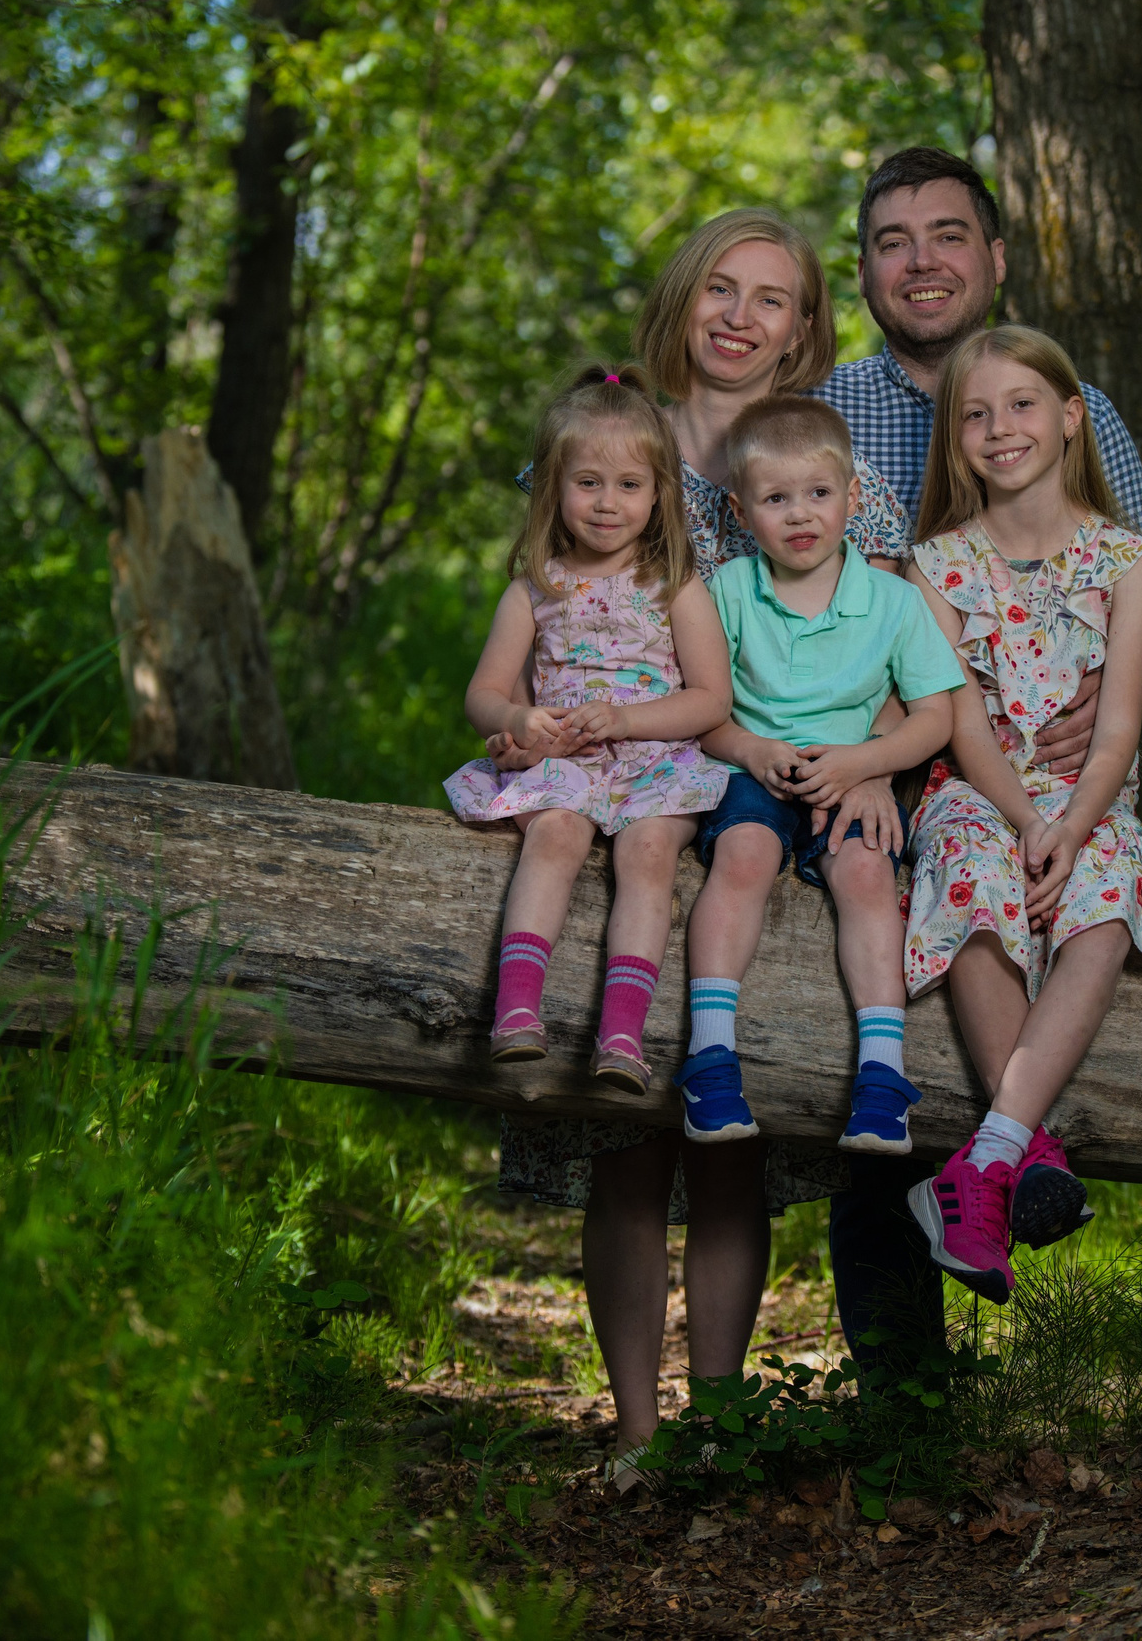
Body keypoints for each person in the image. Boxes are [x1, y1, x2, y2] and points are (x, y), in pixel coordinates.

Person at [898, 326, 1142, 1303]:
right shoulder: (935, 566)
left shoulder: (1126, 559)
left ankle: (989, 1158)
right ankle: (1022, 1159)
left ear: (1072, 418)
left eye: (1023, 404)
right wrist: (1025, 819)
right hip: (978, 793)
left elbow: (1116, 728)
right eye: (975, 414)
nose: (1000, 428)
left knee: (1107, 890)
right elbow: (960, 724)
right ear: (955, 440)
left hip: (1090, 801)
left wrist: (1069, 827)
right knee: (973, 879)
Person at [446, 366, 758, 1491]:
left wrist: (626, 715)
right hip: (570, 765)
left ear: (660, 492)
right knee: (555, 834)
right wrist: (522, 721)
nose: (609, 502)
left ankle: (622, 1026)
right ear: (555, 489)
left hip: (651, 758)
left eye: (631, 484)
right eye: (589, 482)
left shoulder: (677, 582)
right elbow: (485, 693)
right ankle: (519, 1008)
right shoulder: (532, 588)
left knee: (649, 852)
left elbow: (710, 701)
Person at [674, 395, 961, 1155]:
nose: (800, 514)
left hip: (853, 774)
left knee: (868, 873)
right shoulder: (727, 592)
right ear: (741, 512)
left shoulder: (894, 602)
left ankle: (883, 1074)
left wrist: (867, 765)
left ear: (853, 498)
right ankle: (709, 1056)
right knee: (743, 856)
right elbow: (703, 710)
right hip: (754, 768)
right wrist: (748, 750)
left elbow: (935, 717)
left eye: (819, 493)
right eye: (775, 499)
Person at [632, 207, 914, 579]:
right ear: (682, 300)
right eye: (720, 289)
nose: (737, 318)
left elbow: (881, 613)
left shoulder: (840, 481)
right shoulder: (611, 449)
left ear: (797, 333)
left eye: (769, 301)